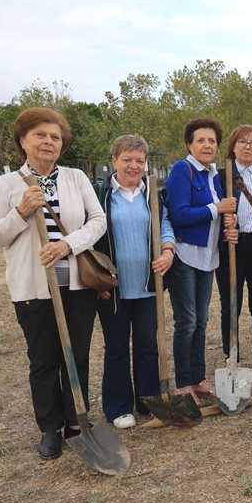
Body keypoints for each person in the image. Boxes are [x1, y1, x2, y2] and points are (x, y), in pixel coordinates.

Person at [0, 107, 106, 459]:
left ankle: (77, 420)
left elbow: (97, 220)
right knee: (44, 360)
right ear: (23, 141)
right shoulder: (7, 184)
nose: (49, 142)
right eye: (40, 135)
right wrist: (20, 213)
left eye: (55, 137)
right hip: (34, 289)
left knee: (76, 356)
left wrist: (68, 244)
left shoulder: (76, 178)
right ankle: (50, 428)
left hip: (77, 285)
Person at [94, 135, 175, 429]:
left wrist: (167, 251)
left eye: (139, 160)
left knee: (146, 345)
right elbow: (89, 235)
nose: (133, 166)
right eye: (127, 159)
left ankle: (148, 399)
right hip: (112, 288)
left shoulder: (152, 194)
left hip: (146, 285)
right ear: (114, 160)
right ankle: (118, 407)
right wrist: (97, 280)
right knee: (116, 347)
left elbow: (164, 224)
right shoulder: (100, 195)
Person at [164, 117, 237, 403]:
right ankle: (183, 382)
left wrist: (227, 223)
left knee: (202, 320)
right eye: (201, 140)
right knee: (188, 321)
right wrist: (216, 208)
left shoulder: (213, 175)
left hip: (208, 256)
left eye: (212, 141)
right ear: (190, 144)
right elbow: (179, 213)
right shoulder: (182, 170)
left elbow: (220, 214)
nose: (207, 145)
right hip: (184, 254)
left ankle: (198, 378)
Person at [216, 125, 252, 383]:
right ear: (233, 146)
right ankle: (232, 357)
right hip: (231, 246)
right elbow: (213, 212)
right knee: (231, 304)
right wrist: (223, 231)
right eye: (242, 142)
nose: (248, 147)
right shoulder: (220, 176)